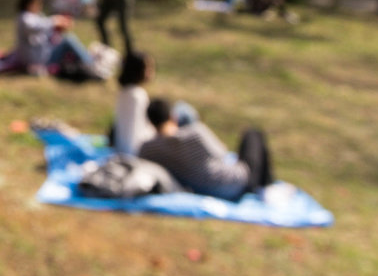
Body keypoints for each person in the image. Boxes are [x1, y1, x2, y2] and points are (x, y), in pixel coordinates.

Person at [138, 97, 275, 200]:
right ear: (172, 117)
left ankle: (265, 186)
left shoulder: (147, 149)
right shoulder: (195, 134)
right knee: (253, 134)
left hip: (200, 189)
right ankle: (267, 185)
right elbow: (223, 154)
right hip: (237, 183)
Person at [13, 0, 95, 78]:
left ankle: (87, 60)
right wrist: (55, 21)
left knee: (65, 40)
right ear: (28, 4)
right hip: (38, 60)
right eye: (37, 4)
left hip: (42, 55)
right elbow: (36, 26)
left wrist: (59, 26)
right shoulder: (24, 18)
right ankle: (90, 63)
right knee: (68, 39)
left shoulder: (35, 16)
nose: (39, 6)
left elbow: (44, 30)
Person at [112, 52, 156, 156]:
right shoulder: (138, 95)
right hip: (135, 151)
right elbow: (136, 132)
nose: (151, 72)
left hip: (122, 148)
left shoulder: (124, 92)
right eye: (148, 68)